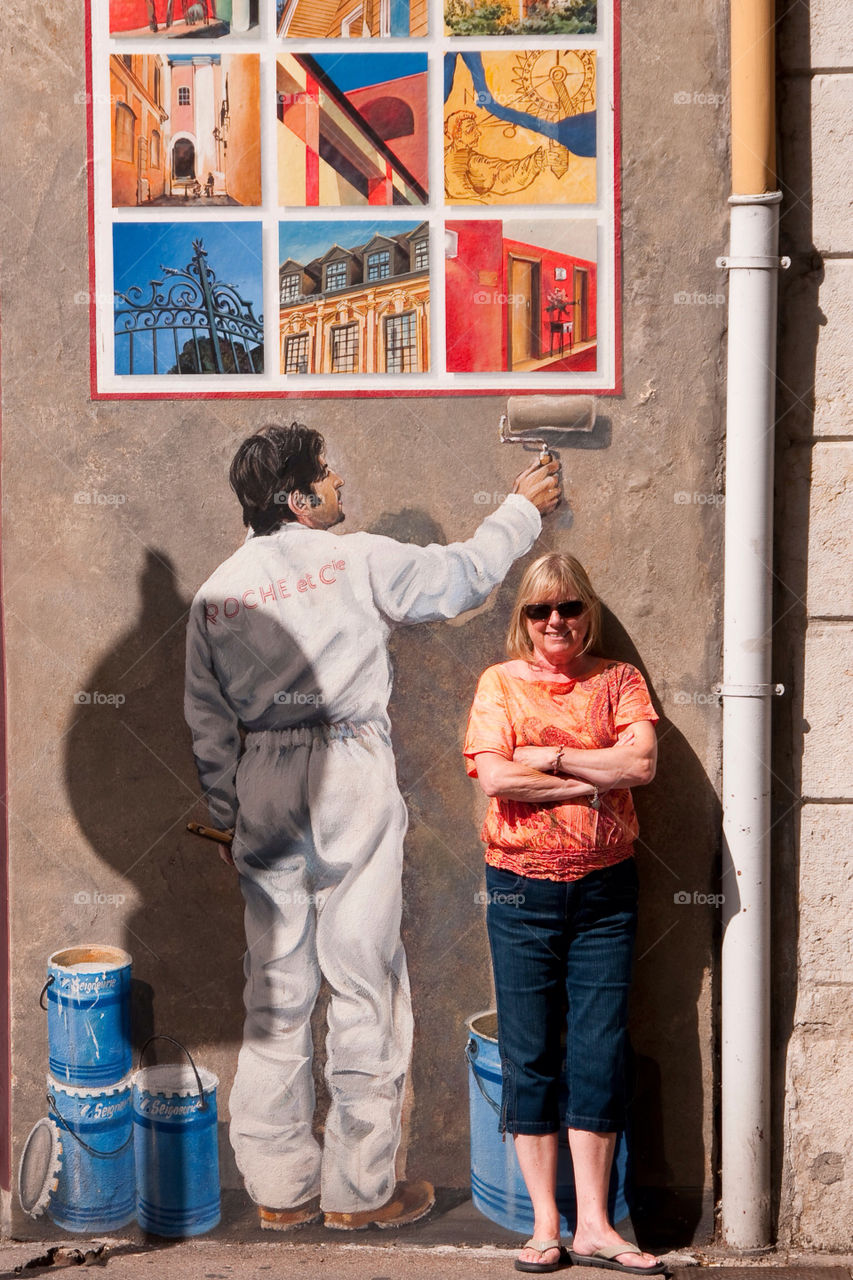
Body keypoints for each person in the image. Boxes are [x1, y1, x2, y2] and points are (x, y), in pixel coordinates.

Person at [184, 422, 561, 1232]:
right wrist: (520, 512)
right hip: (348, 773)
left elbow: (208, 727)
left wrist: (229, 822)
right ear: (297, 498)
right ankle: (359, 1192)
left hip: (263, 786)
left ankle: (279, 1191)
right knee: (364, 981)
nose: (340, 487)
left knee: (276, 992)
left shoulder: (216, 591)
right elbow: (460, 578)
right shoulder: (355, 559)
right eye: (327, 476)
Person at [464, 553, 665, 1275]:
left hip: (606, 891)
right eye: (540, 611)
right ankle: (545, 1227)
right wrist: (588, 771)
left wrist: (543, 759)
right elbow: (493, 776)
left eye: (570, 608)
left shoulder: (618, 681)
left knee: (598, 1048)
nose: (556, 623)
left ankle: (595, 1226)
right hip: (519, 892)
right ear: (522, 617)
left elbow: (638, 767)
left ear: (588, 612)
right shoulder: (499, 684)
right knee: (529, 1051)